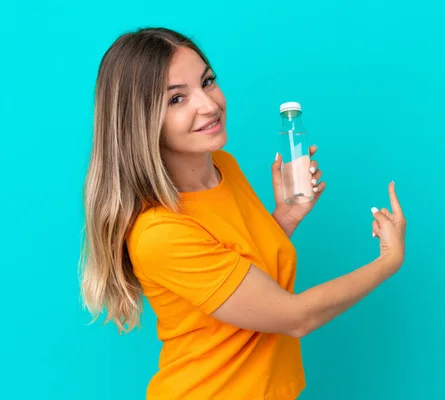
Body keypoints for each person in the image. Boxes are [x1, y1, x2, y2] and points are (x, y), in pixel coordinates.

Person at [79, 27, 407, 400]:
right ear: (138, 122)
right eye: (176, 99)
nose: (208, 104)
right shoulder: (160, 232)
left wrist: (285, 217)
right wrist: (388, 261)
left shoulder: (223, 167)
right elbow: (295, 316)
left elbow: (244, 275)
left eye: (207, 81)